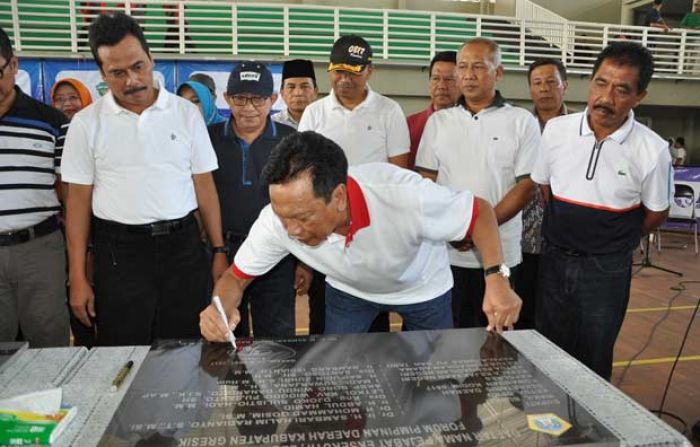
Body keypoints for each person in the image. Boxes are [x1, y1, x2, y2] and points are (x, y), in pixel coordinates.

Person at [200, 131, 522, 341]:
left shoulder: (402, 195)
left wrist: (496, 278)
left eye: (303, 217)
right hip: (349, 293)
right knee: (339, 374)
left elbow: (479, 211)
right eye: (283, 218)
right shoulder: (278, 219)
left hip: (421, 289)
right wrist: (219, 308)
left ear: (339, 197)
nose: (292, 231)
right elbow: (235, 279)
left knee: (435, 379)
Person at [61, 12, 227, 346]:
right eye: (117, 73)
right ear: (102, 73)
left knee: (185, 348)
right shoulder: (85, 123)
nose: (131, 80)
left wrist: (219, 249)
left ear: (151, 59)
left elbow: (204, 186)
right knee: (124, 349)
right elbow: (77, 202)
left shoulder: (185, 114)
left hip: (182, 249)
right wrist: (78, 276)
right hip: (118, 254)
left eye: (138, 66)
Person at [531, 41, 672, 380]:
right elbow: (545, 187)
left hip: (605, 270)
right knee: (546, 350)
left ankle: (588, 430)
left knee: (593, 356)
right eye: (600, 83)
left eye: (622, 89)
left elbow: (656, 214)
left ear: (640, 96)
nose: (606, 98)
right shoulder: (556, 131)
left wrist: (612, 238)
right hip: (553, 259)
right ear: (590, 81)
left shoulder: (652, 150)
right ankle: (546, 426)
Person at [415, 38, 540, 330]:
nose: (468, 74)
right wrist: (451, 227)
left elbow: (526, 186)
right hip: (447, 252)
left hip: (501, 254)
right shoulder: (439, 122)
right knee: (449, 334)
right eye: (463, 67)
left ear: (498, 72)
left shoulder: (522, 121)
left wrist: (479, 227)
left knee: (497, 336)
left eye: (479, 67)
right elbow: (425, 181)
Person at [298, 35, 411, 334]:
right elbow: (303, 174)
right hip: (326, 230)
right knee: (323, 317)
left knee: (373, 319)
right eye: (338, 71)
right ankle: (321, 380)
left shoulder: (389, 111)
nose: (344, 79)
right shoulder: (315, 113)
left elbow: (399, 175)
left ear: (369, 71)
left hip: (373, 229)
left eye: (353, 71)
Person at [208, 61, 297, 338]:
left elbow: (301, 204)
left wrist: (302, 261)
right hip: (225, 251)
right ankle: (233, 384)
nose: (248, 108)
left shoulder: (291, 140)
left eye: (258, 99)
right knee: (227, 334)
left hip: (277, 254)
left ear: (273, 99)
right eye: (240, 98)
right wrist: (217, 251)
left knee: (277, 339)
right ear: (226, 98)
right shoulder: (208, 139)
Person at [0, 27, 70, 348]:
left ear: (13, 65)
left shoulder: (52, 122)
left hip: (38, 251)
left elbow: (67, 193)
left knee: (48, 344)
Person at [514, 57, 570, 329]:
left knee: (560, 314)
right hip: (521, 240)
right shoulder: (518, 126)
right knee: (523, 312)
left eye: (551, 82)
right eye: (537, 83)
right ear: (530, 89)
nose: (544, 88)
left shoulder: (581, 128)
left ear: (565, 86)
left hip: (567, 241)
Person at [406, 51, 460, 169]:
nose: (441, 85)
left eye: (449, 79)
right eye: (436, 78)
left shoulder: (471, 124)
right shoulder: (409, 125)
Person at [272, 59, 318, 129]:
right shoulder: (272, 124)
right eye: (291, 87)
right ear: (282, 93)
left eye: (305, 86)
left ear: (315, 91)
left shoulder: (326, 121)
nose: (298, 93)